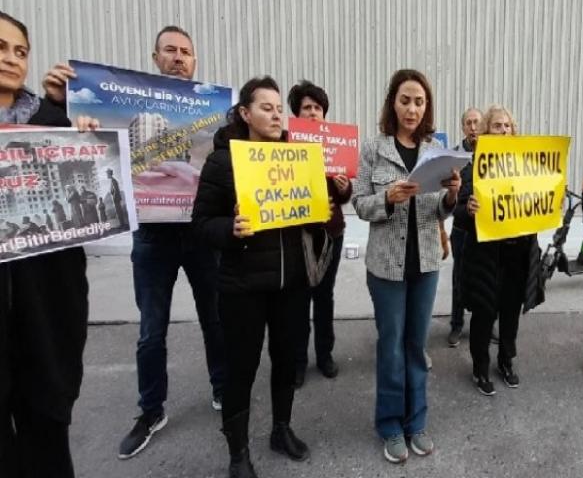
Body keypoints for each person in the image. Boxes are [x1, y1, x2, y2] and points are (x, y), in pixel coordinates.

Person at [50, 26, 227, 459]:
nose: (179, 58)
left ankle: (224, 389)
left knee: (216, 320)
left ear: (194, 61)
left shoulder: (208, 111)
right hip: (151, 236)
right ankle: (151, 410)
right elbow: (91, 149)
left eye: (186, 52)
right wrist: (60, 105)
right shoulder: (128, 105)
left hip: (200, 234)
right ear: (155, 57)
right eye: (170, 50)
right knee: (151, 332)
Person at [192, 76, 311, 478]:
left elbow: (311, 214)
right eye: (266, 108)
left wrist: (326, 201)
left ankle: (281, 429)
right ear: (245, 113)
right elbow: (201, 223)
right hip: (242, 287)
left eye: (279, 109)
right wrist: (230, 229)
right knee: (240, 368)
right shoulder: (222, 161)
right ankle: (238, 452)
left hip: (290, 283)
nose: (276, 115)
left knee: (286, 359)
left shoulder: (297, 159)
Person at [352, 69, 460, 464]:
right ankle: (390, 425)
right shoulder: (373, 148)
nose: (412, 109)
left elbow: (439, 211)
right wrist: (388, 198)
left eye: (419, 102)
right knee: (391, 346)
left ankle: (417, 421)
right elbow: (359, 204)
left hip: (426, 262)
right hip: (386, 267)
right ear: (393, 104)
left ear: (426, 107)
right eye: (405, 100)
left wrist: (452, 196)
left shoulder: (436, 151)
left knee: (417, 346)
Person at [0, 10, 90, 478]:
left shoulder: (52, 121)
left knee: (48, 433)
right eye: (1, 48)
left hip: (45, 309)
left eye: (20, 51)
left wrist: (85, 132)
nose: (11, 59)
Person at [456, 106, 545, 395]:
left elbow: (539, 201)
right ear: (485, 131)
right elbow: (456, 211)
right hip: (486, 257)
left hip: (518, 254)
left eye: (507, 126)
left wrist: (551, 198)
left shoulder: (528, 165)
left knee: (510, 313)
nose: (504, 130)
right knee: (484, 313)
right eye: (497, 126)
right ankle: (480, 367)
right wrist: (468, 210)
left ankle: (506, 361)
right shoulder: (473, 167)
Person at [287, 80, 352, 387]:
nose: (313, 112)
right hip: (298, 237)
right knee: (299, 301)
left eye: (317, 108)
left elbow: (345, 196)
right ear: (297, 114)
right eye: (306, 108)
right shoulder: (286, 147)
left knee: (325, 296)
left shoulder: (336, 146)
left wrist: (344, 187)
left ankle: (325, 354)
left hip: (330, 235)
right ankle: (298, 361)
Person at [447, 106, 482, 347]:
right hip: (461, 230)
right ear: (463, 127)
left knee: (485, 280)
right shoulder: (454, 158)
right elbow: (449, 202)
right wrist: (465, 210)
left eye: (477, 122)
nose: (473, 127)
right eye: (468, 123)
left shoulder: (493, 155)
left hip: (487, 231)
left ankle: (484, 324)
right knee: (459, 278)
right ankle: (456, 325)